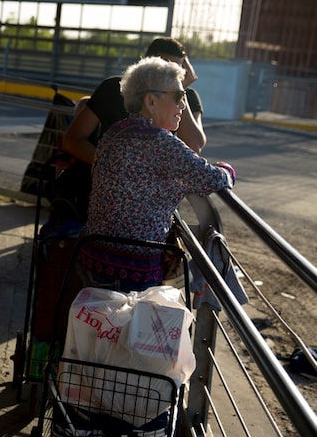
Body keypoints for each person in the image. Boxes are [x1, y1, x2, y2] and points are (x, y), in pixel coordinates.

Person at [78, 56, 235, 292]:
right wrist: (228, 171)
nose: (183, 105)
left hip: (93, 257)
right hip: (132, 272)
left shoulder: (116, 131)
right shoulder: (159, 141)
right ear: (151, 101)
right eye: (179, 97)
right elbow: (211, 178)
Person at [62, 36, 206, 166]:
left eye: (177, 70)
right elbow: (72, 140)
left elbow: (194, 146)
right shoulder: (114, 88)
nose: (172, 75)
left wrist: (180, 92)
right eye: (165, 68)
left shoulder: (188, 97)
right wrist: (113, 167)